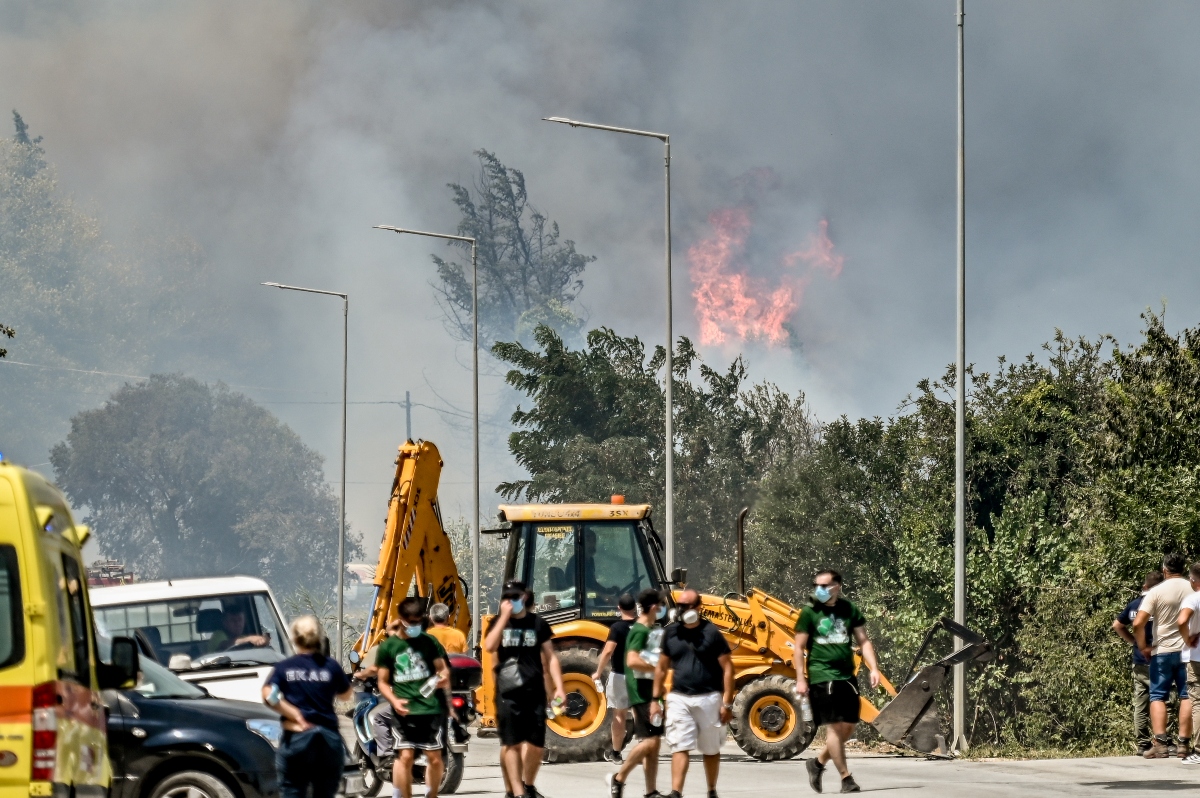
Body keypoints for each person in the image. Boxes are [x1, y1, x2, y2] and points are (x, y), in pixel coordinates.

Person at [794, 569, 880, 794]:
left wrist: (874, 668)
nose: (819, 590)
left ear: (837, 586)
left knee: (848, 726)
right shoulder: (809, 612)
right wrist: (800, 678)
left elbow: (864, 641)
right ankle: (846, 778)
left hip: (846, 676)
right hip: (822, 675)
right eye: (816, 586)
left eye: (824, 585)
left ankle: (818, 763)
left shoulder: (849, 609)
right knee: (834, 727)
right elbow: (798, 647)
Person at [484, 580, 566, 798]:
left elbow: (551, 657)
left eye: (515, 597)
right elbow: (489, 646)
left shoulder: (538, 623)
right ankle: (517, 792)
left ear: (524, 597)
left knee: (536, 745)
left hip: (534, 691)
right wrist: (503, 618)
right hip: (508, 693)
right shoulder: (498, 623)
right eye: (507, 598)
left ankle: (528, 784)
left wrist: (559, 687)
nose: (511, 601)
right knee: (513, 744)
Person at [652, 589, 733, 798]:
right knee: (679, 745)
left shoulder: (712, 633)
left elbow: (728, 668)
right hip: (679, 697)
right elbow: (661, 668)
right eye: (680, 605)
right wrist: (655, 699)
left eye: (688, 606)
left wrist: (727, 703)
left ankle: (711, 790)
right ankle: (676, 792)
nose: (684, 609)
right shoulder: (671, 633)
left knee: (711, 749)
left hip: (709, 698)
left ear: (699, 607)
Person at [261, 616, 353, 798]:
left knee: (293, 790)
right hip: (327, 739)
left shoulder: (285, 668)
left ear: (294, 639)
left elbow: (268, 695)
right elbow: (346, 695)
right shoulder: (331, 666)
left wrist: (292, 712)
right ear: (318, 638)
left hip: (297, 737)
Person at [377, 597, 452, 798]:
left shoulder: (430, 642)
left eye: (418, 622)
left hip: (431, 710)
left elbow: (443, 670)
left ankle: (431, 794)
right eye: (410, 622)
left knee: (434, 758)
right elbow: (383, 682)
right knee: (405, 756)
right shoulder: (389, 647)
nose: (414, 626)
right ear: (401, 620)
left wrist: (442, 679)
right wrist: (394, 701)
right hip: (404, 711)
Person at [607, 589, 668, 798]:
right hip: (641, 693)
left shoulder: (649, 629)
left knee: (654, 744)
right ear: (653, 607)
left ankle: (650, 791)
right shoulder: (640, 630)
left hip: (651, 692)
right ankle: (619, 778)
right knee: (649, 742)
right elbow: (632, 661)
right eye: (661, 605)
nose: (662, 609)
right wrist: (658, 668)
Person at [1134, 552, 1195, 759]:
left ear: (1164, 570)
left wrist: (1143, 646)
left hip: (1162, 651)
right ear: (1184, 569)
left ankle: (1160, 744)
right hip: (1187, 651)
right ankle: (1183, 744)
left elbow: (1137, 623)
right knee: (1186, 695)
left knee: (1158, 695)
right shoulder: (1193, 588)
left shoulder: (1156, 591)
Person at [1114, 570, 1164, 755]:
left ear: (1145, 586)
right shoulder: (1161, 606)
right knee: (1162, 697)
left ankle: (1143, 744)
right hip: (1158, 657)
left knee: (1140, 702)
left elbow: (1117, 625)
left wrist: (1133, 641)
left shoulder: (1134, 605)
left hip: (1139, 659)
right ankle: (1163, 740)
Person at [593, 593, 638, 764]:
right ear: (635, 607)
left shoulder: (617, 628)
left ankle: (616, 753)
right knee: (640, 714)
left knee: (619, 716)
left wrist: (598, 672)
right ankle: (645, 750)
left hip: (620, 675)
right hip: (639, 676)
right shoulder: (643, 627)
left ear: (619, 608)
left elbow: (608, 651)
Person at [1177, 563, 1200, 764]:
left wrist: (1187, 639)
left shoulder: (1193, 598)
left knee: (1198, 702)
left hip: (1197, 657)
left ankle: (1199, 751)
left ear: (1193, 581)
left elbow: (1182, 621)